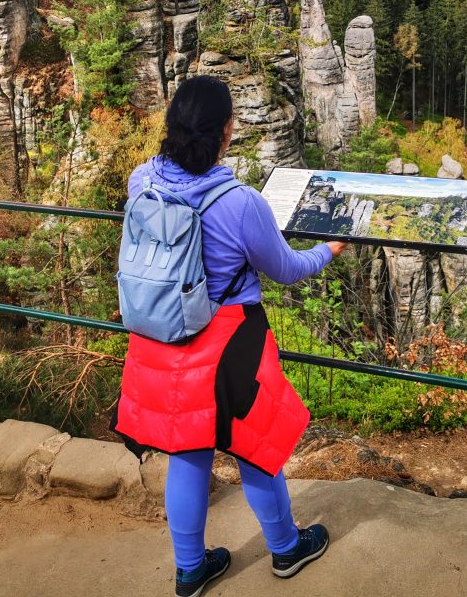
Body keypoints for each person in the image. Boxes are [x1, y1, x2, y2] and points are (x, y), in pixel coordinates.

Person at [113, 75, 347, 597]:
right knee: (255, 447)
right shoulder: (240, 203)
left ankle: (191, 570)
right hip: (228, 341)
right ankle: (286, 548)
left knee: (188, 452)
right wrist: (327, 251)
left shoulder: (140, 180)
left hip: (159, 335)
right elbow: (285, 268)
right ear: (225, 132)